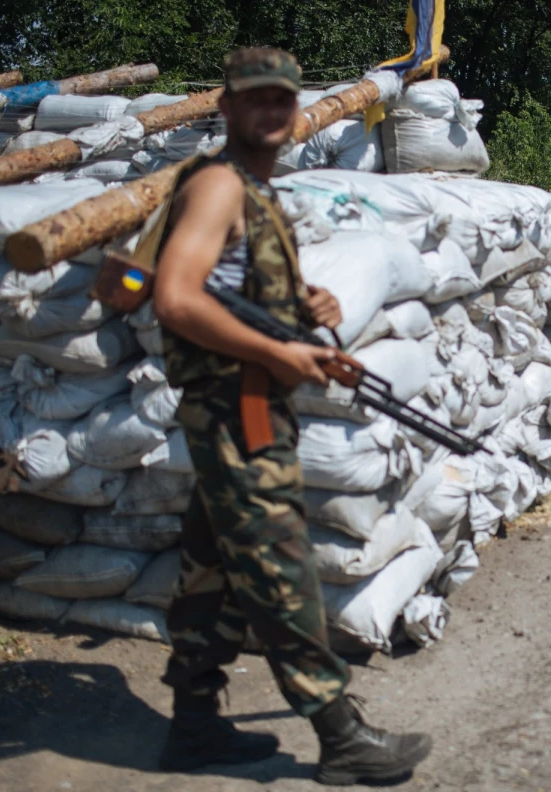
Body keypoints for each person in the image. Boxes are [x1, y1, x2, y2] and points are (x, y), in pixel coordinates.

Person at [151, 47, 432, 785]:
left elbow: (230, 281)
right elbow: (177, 297)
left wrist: (304, 305)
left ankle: (194, 726)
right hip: (237, 411)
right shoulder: (217, 184)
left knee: (211, 568)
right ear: (228, 107)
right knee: (281, 568)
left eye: (282, 100)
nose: (271, 113)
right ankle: (340, 736)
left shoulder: (254, 191)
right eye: (256, 100)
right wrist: (279, 357)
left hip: (235, 404)